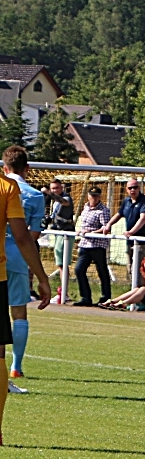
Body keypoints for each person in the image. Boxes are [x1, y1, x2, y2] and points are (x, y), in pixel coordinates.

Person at [0, 167, 51, 444]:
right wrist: (42, 277)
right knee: (17, 314)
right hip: (11, 263)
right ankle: (15, 367)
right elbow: (25, 236)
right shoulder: (17, 191)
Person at [2, 147, 44, 387]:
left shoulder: (2, 189)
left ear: (4, 168)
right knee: (18, 312)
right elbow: (33, 234)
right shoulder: (35, 195)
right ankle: (16, 367)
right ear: (27, 168)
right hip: (19, 258)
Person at [105, 179, 145, 287]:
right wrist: (108, 224)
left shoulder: (144, 201)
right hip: (129, 241)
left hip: (141, 241)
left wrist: (131, 232)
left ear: (139, 188)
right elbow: (119, 214)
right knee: (131, 269)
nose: (133, 190)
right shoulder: (126, 201)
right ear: (126, 189)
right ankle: (134, 294)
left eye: (135, 187)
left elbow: (143, 219)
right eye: (130, 188)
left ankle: (140, 297)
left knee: (138, 269)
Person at [73, 186, 113, 307]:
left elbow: (106, 228)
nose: (94, 198)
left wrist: (91, 232)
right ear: (88, 196)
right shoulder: (85, 207)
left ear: (99, 196)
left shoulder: (103, 211)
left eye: (96, 196)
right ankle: (86, 297)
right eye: (92, 195)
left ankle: (106, 297)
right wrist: (81, 232)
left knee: (102, 271)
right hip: (85, 244)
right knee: (79, 270)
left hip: (97, 245)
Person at [46, 179, 74, 296]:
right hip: (58, 233)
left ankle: (64, 293)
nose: (54, 190)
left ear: (61, 188)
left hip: (66, 234)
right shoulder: (54, 202)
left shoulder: (66, 198)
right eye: (52, 188)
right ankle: (62, 292)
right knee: (60, 264)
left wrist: (48, 193)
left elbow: (63, 202)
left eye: (56, 188)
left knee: (63, 264)